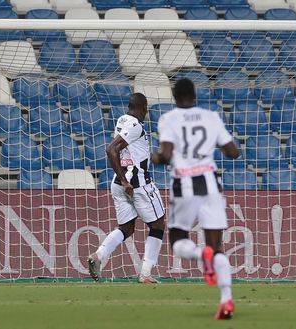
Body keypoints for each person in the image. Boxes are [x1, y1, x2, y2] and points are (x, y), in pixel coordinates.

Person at [151, 78, 241, 320]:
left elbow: (167, 154)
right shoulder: (211, 117)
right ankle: (226, 300)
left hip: (185, 183)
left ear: (174, 95)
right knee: (217, 245)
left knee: (178, 240)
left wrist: (157, 157)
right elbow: (233, 152)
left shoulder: (168, 119)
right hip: (211, 183)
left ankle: (202, 256)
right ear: (194, 95)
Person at [87, 93, 166, 284]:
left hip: (119, 184)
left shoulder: (122, 120)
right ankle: (146, 273)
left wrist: (121, 180)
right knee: (158, 224)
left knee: (127, 228)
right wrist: (125, 181)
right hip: (136, 184)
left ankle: (98, 256)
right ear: (144, 108)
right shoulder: (135, 126)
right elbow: (111, 149)